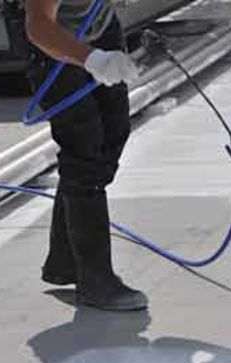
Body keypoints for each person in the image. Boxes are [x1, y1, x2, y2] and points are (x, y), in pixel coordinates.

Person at [24, 0, 148, 311]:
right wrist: (92, 60)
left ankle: (65, 262)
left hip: (100, 25)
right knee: (84, 149)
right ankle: (95, 281)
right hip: (54, 41)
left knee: (113, 133)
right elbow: (39, 26)